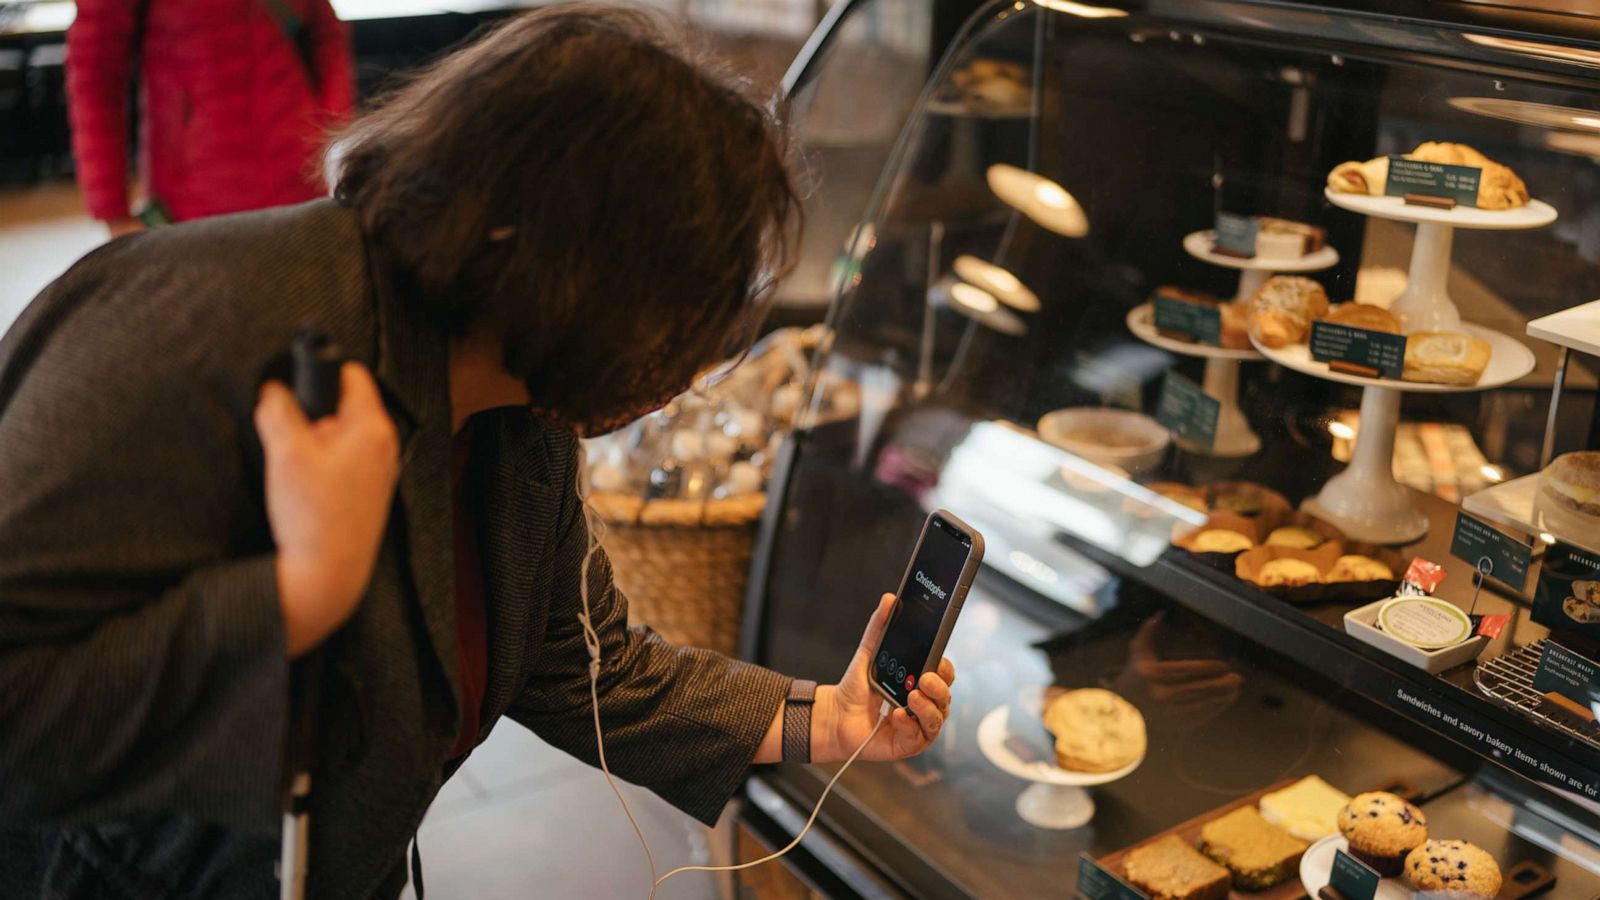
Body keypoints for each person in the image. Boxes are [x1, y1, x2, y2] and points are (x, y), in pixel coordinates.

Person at [0, 7, 956, 898]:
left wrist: (822, 721)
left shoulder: (511, 409)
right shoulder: (181, 327)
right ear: (579, 272)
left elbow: (586, 666)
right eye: (685, 312)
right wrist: (299, 594)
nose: (693, 369)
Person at [66, 0, 356, 237]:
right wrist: (114, 214)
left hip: (299, 187)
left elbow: (326, 36)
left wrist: (326, 133)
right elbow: (95, 73)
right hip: (191, 209)